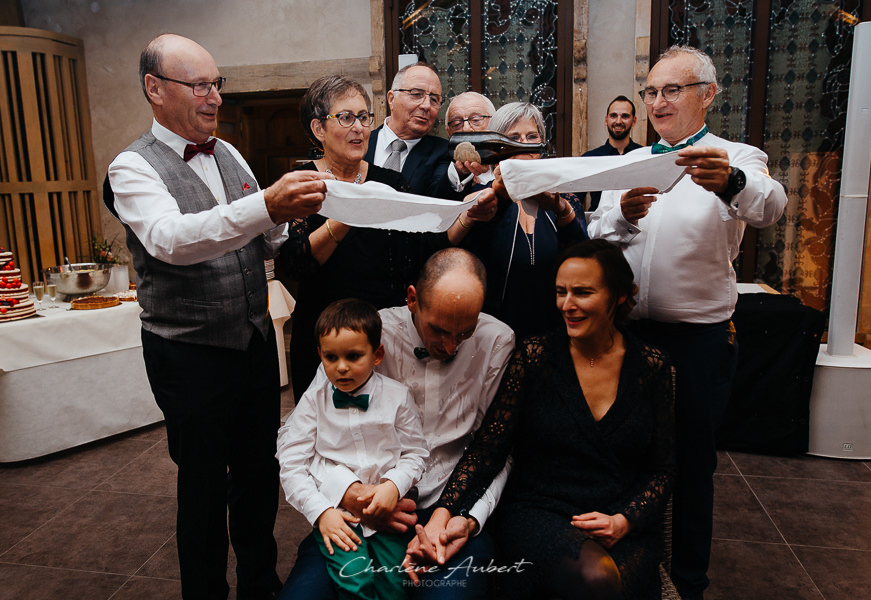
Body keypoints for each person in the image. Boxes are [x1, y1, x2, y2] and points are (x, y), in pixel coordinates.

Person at [107, 34, 331, 600]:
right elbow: (170, 240)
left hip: (254, 340)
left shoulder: (229, 154)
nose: (214, 98)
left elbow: (267, 236)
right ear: (154, 90)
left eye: (217, 84)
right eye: (200, 85)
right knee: (204, 487)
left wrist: (306, 213)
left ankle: (260, 586)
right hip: (188, 352)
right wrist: (266, 206)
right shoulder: (131, 167)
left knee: (258, 476)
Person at [587, 45, 787, 600]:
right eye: (650, 91)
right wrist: (620, 217)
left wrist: (729, 183)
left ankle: (691, 583)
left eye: (671, 90)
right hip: (629, 338)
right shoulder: (633, 162)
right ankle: (633, 569)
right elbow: (598, 233)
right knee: (625, 458)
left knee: (692, 464)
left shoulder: (736, 155)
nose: (657, 101)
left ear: (708, 95)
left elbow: (771, 207)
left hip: (698, 341)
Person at [435, 239, 675, 599]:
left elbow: (664, 468)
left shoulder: (652, 367)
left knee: (619, 582)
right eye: (560, 292)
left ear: (620, 296)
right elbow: (488, 450)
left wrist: (625, 520)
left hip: (619, 519)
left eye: (582, 292)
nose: (567, 304)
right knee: (596, 580)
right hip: (540, 513)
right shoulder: (534, 359)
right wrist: (445, 509)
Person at [280, 248, 516, 600]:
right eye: (439, 330)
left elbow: (497, 451)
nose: (451, 347)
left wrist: (467, 519)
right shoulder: (362, 336)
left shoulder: (497, 340)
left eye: (465, 333)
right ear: (412, 299)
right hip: (359, 515)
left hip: (446, 511)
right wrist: (350, 493)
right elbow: (293, 441)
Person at [279, 75, 496, 400]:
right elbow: (292, 264)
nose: (359, 127)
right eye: (346, 117)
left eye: (364, 117)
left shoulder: (391, 181)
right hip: (328, 337)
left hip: (388, 334)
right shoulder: (300, 182)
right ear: (318, 129)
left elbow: (427, 246)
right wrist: (349, 215)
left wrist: (467, 215)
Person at [277, 298, 428, 600]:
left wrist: (393, 486)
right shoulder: (313, 401)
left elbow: (417, 453)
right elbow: (292, 463)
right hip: (337, 513)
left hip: (388, 510)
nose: (341, 367)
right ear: (319, 355)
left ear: (377, 354)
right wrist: (321, 513)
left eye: (353, 356)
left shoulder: (398, 397)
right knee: (353, 581)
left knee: (394, 582)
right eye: (331, 357)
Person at [461, 102, 587, 339]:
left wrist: (562, 210)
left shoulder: (563, 197)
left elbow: (585, 258)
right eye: (514, 137)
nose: (524, 144)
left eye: (532, 136)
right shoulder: (484, 198)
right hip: (495, 333)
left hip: (555, 331)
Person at [364, 62, 462, 199]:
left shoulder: (444, 153)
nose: (426, 106)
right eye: (416, 94)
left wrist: (461, 170)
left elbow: (442, 193)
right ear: (391, 99)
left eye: (434, 99)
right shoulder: (360, 143)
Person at [582, 95, 643, 211]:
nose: (618, 121)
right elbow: (574, 201)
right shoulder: (590, 158)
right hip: (598, 226)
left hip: (636, 224)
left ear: (634, 121)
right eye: (613, 116)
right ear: (606, 120)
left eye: (625, 116)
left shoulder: (643, 156)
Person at [444, 91, 495, 189]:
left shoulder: (511, 160)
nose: (466, 128)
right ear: (449, 133)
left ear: (494, 122)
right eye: (457, 123)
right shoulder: (442, 165)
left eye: (476, 120)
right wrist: (463, 172)